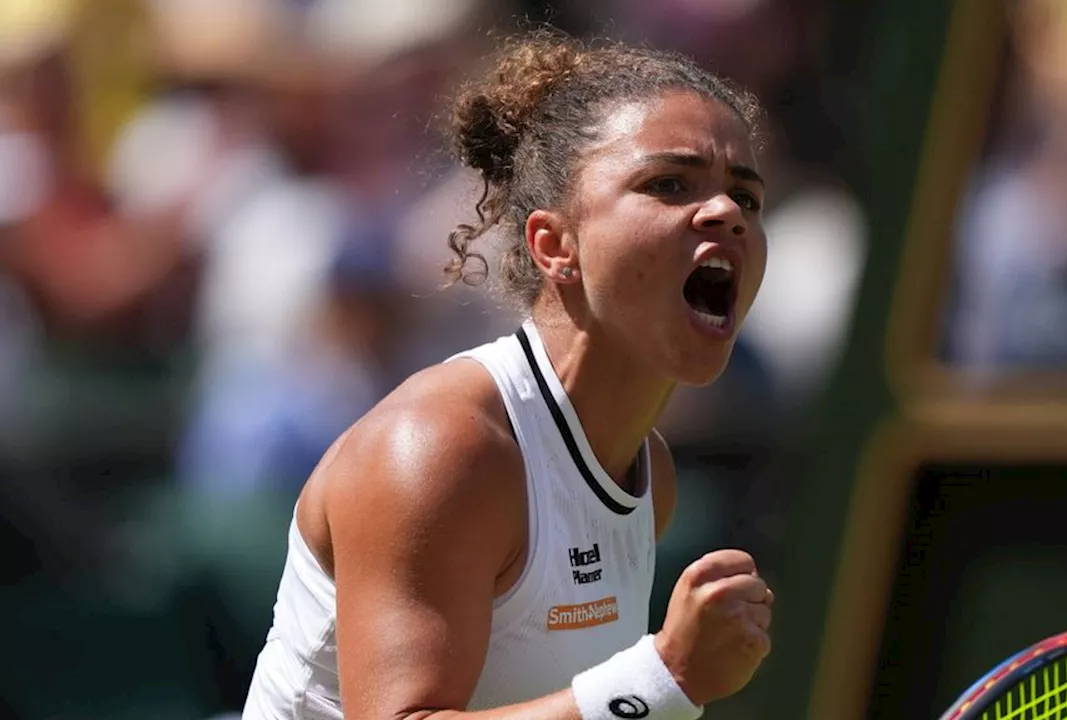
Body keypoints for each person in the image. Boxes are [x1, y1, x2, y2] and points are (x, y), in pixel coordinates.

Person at [242, 29, 774, 720]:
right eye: (668, 184)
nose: (727, 213)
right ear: (555, 246)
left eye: (748, 197)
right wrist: (663, 676)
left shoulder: (650, 474)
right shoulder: (439, 448)